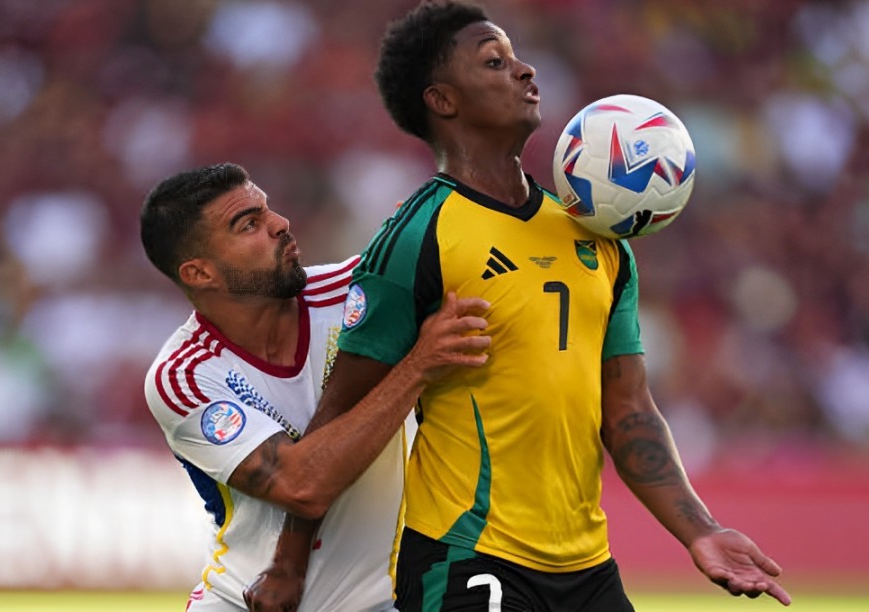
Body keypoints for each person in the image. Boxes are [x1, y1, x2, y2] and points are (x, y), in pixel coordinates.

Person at [261, 1, 793, 610]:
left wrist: (700, 529)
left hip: (587, 570)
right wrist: (287, 566)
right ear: (443, 101)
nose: (525, 71)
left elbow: (628, 414)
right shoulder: (418, 236)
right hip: (466, 558)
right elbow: (337, 412)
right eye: (495, 61)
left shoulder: (598, 236)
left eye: (516, 57)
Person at [139, 162, 492, 611]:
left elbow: (466, 254)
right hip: (240, 601)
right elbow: (301, 484)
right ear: (199, 273)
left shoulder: (359, 292)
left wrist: (432, 233)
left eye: (268, 210)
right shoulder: (184, 375)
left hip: (378, 602)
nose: (280, 225)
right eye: (249, 223)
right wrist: (418, 365)